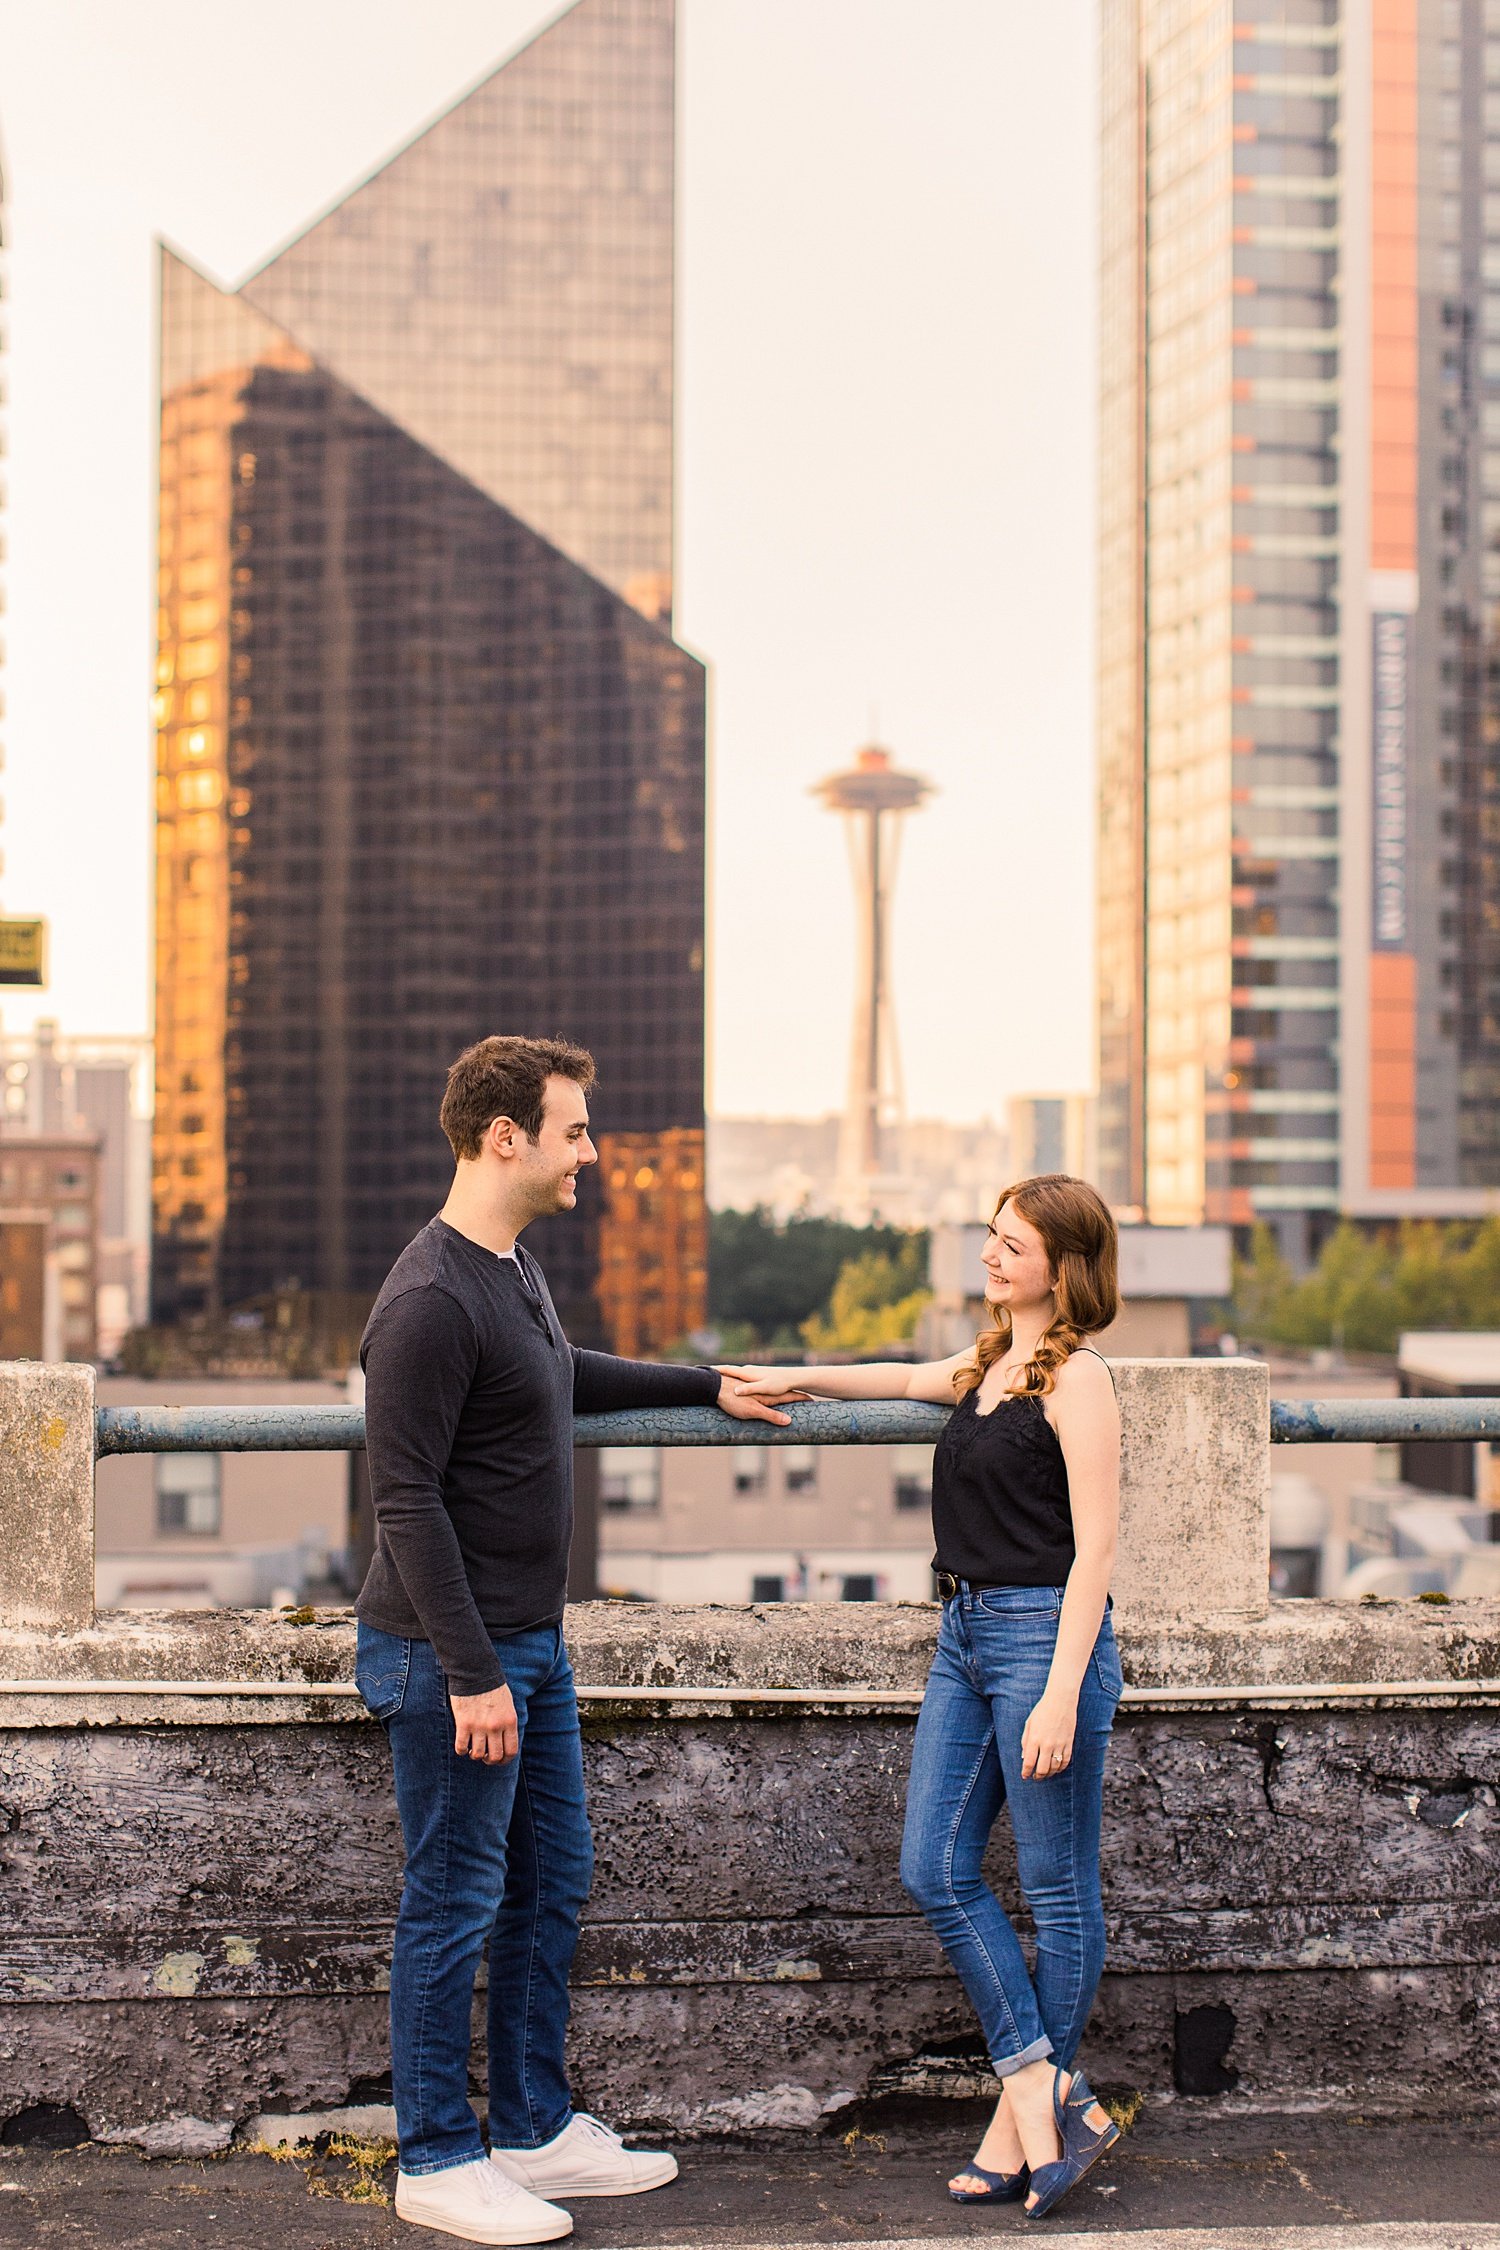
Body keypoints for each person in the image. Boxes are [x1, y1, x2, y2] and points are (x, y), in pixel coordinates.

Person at [355, 1035, 790, 2247]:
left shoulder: (509, 1270)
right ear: (508, 1137)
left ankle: (535, 2129)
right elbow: (406, 1503)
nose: (591, 1153)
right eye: (576, 1131)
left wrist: (707, 1385)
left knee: (551, 1881)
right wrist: (472, 1672)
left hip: (524, 1648)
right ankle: (438, 2156)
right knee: (452, 1901)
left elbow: (559, 1376)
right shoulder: (430, 1299)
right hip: (458, 1659)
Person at [725, 1174, 1124, 2223]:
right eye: (988, 1238)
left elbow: (1097, 1556)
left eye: (1012, 1245)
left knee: (1057, 1887)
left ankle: (1014, 2124)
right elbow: (904, 1371)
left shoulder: (1078, 1380)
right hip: (963, 1634)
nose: (990, 1257)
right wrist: (793, 1378)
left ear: (1063, 1266)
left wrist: (1060, 1693)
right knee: (933, 1865)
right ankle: (1041, 2087)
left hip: (1046, 1640)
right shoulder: (992, 1360)